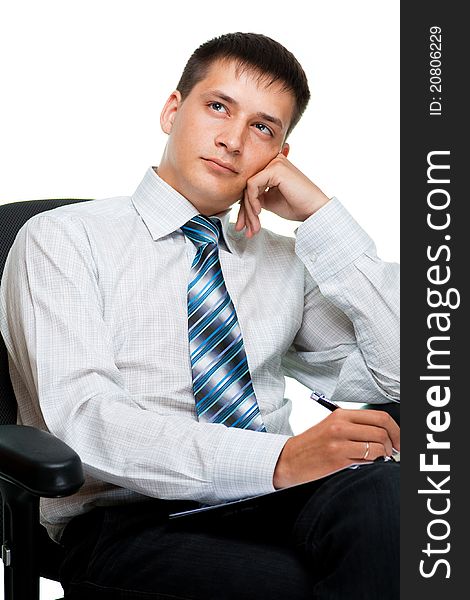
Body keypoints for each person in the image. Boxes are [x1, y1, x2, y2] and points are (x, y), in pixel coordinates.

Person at [0, 32, 400, 599]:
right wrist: (281, 457)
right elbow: (87, 423)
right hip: (131, 516)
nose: (233, 141)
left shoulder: (283, 262)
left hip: (270, 500)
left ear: (279, 156)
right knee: (290, 584)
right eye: (218, 107)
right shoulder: (64, 240)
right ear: (172, 110)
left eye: (263, 127)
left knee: (399, 500)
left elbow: (409, 372)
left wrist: (323, 217)